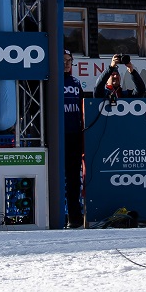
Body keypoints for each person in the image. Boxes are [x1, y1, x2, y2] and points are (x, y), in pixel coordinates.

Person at [62, 51, 85, 228]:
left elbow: (82, 108)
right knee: (56, 178)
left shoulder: (76, 82)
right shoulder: (50, 81)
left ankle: (74, 217)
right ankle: (55, 215)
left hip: (74, 136)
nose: (66, 64)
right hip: (56, 136)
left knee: (73, 179)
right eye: (63, 61)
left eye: (69, 61)